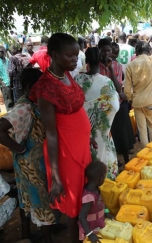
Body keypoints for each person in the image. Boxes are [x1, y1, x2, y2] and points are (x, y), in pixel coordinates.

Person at [29, 33, 92, 243]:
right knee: (73, 207)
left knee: (83, 195)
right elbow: (51, 133)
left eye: (76, 55)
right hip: (66, 153)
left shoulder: (66, 74)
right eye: (70, 55)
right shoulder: (46, 88)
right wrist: (55, 176)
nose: (75, 59)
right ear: (55, 55)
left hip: (80, 147)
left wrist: (87, 136)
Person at [0, 68, 57, 243]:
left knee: (27, 197)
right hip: (29, 163)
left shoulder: (34, 102)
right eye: (38, 87)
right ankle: (47, 238)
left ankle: (27, 234)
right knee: (40, 201)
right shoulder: (24, 107)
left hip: (36, 160)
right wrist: (19, 148)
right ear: (27, 86)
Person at [75, 47, 120, 180]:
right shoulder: (106, 82)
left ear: (86, 61)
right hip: (103, 131)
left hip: (83, 132)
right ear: (100, 61)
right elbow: (114, 105)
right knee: (103, 156)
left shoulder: (77, 80)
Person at [97, 39, 134, 165]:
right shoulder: (95, 66)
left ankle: (127, 161)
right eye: (104, 51)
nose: (107, 53)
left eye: (109, 50)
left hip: (115, 104)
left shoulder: (116, 66)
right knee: (108, 136)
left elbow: (118, 88)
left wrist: (111, 69)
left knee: (122, 135)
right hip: (102, 106)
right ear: (99, 51)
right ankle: (113, 162)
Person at [78, 161, 109, 242]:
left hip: (97, 223)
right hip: (90, 227)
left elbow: (102, 202)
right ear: (101, 178)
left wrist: (106, 212)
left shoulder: (96, 188)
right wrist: (90, 234)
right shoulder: (89, 197)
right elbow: (81, 217)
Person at [0, 45, 13, 110]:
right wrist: (3, 84)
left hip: (10, 83)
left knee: (12, 100)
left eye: (2, 51)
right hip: (4, 85)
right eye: (0, 51)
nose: (1, 53)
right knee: (8, 102)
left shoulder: (7, 60)